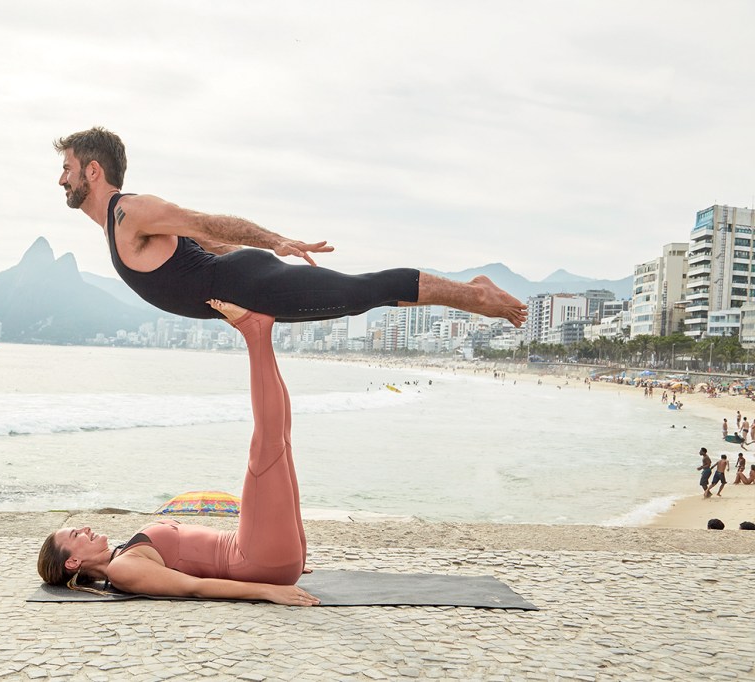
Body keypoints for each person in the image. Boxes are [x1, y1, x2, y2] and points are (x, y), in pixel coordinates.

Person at [53, 127, 528, 326]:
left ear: (94, 170)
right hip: (244, 286)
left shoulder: (130, 212)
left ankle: (475, 295)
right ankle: (471, 292)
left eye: (68, 168)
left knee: (360, 291)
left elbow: (206, 221)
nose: (62, 179)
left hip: (251, 284)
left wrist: (275, 241)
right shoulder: (120, 225)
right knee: (359, 297)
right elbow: (204, 243)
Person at [37, 299, 319, 606]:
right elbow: (193, 587)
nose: (85, 528)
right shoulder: (121, 570)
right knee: (268, 441)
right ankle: (256, 331)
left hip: (265, 556)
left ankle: (258, 331)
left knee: (279, 437)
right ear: (73, 562)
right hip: (256, 561)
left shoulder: (125, 554)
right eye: (75, 535)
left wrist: (281, 556)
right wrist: (267, 589)